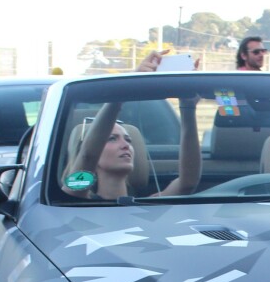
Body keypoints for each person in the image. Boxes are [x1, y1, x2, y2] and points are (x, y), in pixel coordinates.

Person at [66, 51, 201, 199]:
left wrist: (188, 107)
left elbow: (187, 183)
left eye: (128, 140)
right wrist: (126, 87)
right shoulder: (76, 198)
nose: (125, 145)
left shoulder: (148, 204)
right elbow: (88, 155)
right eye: (112, 139)